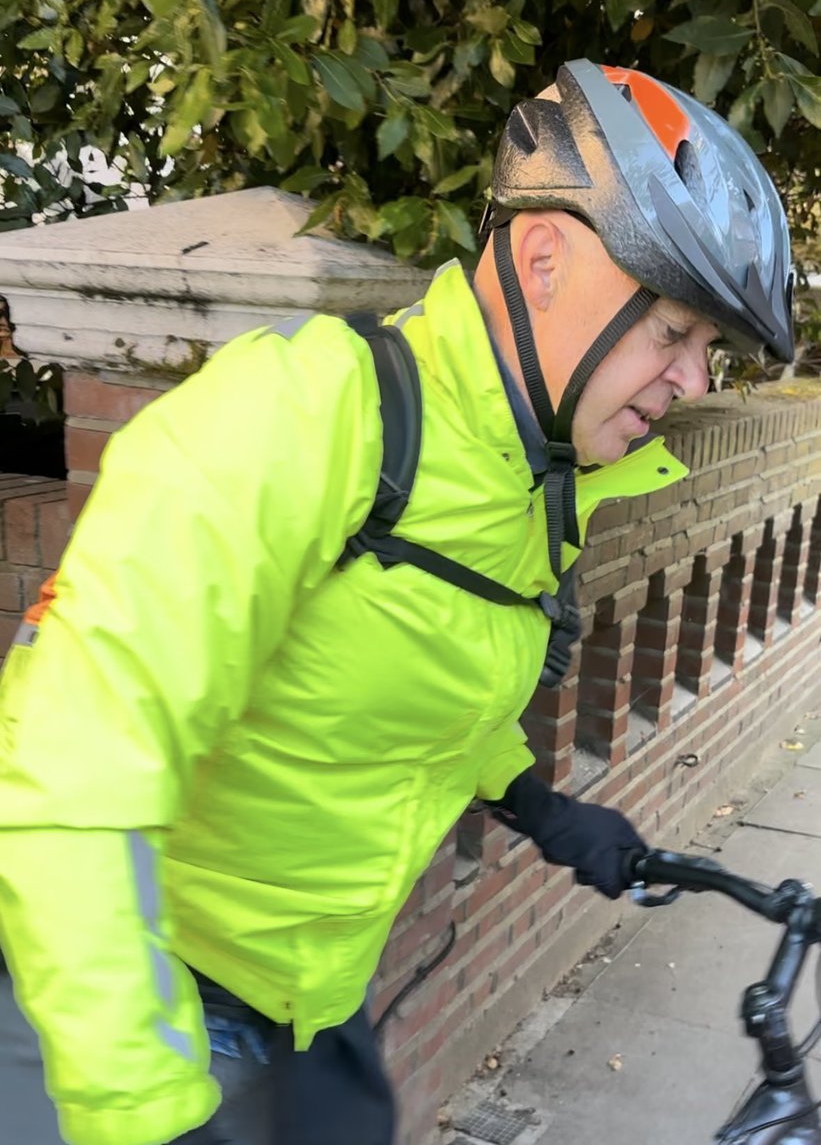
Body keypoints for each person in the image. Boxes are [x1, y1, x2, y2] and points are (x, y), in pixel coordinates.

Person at [0, 57, 793, 1145]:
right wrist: (143, 1113)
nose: (693, 381)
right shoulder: (298, 423)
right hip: (122, 1006)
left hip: (312, 1008)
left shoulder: (527, 478)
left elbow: (400, 660)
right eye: (671, 331)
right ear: (545, 257)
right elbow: (66, 776)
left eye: (707, 349)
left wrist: (532, 803)